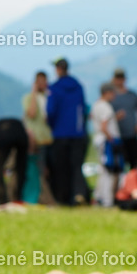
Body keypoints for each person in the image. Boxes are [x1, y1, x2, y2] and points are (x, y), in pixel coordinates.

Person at [46, 57, 88, 206]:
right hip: (78, 133)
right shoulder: (78, 86)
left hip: (59, 133)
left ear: (58, 69)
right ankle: (79, 194)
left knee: (61, 167)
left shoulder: (54, 88)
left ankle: (62, 197)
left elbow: (50, 111)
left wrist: (51, 126)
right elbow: (83, 109)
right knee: (77, 166)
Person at [22, 71, 54, 204]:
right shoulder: (28, 98)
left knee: (49, 171)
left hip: (50, 138)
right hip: (36, 139)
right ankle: (38, 197)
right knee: (38, 170)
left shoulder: (49, 97)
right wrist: (34, 93)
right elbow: (31, 113)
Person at [90, 82, 123, 208]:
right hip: (107, 141)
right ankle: (107, 200)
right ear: (108, 93)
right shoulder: (106, 107)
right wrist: (112, 139)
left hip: (99, 140)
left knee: (103, 169)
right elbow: (104, 126)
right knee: (109, 171)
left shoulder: (96, 105)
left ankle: (98, 197)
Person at [111, 68, 137, 171]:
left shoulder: (132, 95)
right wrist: (115, 117)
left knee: (136, 163)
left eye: (121, 78)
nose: (120, 81)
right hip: (117, 136)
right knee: (119, 165)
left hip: (132, 134)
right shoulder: (111, 96)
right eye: (118, 78)